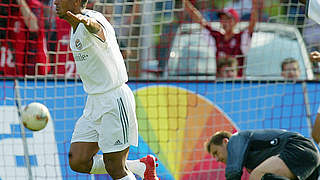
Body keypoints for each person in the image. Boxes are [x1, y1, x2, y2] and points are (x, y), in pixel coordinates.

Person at [53, 0, 159, 179]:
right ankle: (139, 166)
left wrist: (85, 22)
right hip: (94, 101)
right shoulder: (74, 26)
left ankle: (134, 168)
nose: (55, 2)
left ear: (77, 1)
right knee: (78, 160)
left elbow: (96, 29)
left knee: (115, 167)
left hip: (114, 100)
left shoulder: (93, 19)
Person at [183, 0, 258, 77]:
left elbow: (252, 23)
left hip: (237, 83)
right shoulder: (217, 37)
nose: (225, 22)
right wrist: (186, 3)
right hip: (219, 84)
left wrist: (255, 4)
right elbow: (200, 20)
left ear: (235, 21)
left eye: (228, 19)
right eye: (223, 19)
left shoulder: (241, 37)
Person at [205, 129, 320, 180]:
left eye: (216, 152)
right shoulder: (251, 164)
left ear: (225, 142)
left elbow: (233, 174)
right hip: (310, 158)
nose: (216, 159)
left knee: (257, 177)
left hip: (298, 147)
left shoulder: (236, 138)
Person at [0, 0, 50, 76]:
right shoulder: (4, 5)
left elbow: (33, 27)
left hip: (33, 67)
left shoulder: (33, 4)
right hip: (7, 66)